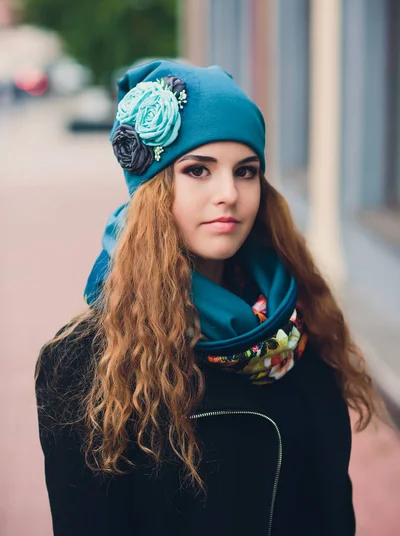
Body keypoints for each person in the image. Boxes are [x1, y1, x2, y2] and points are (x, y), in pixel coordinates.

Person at [35, 59, 379, 536]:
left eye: (246, 171)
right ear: (155, 191)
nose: (228, 194)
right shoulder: (83, 364)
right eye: (198, 170)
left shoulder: (303, 329)